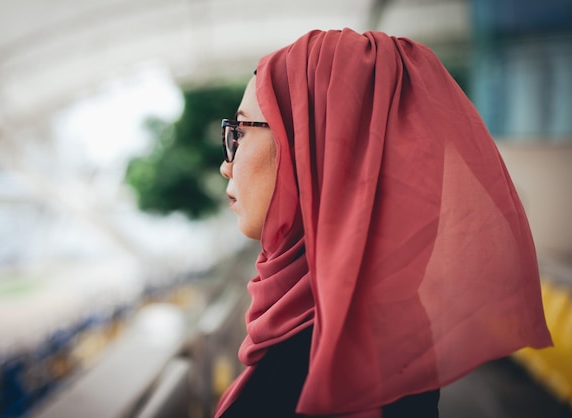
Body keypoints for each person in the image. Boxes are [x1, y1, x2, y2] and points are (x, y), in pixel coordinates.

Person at [216, 29, 552, 418]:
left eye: (239, 133)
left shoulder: (324, 354)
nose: (227, 164)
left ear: (313, 149)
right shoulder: (378, 320)